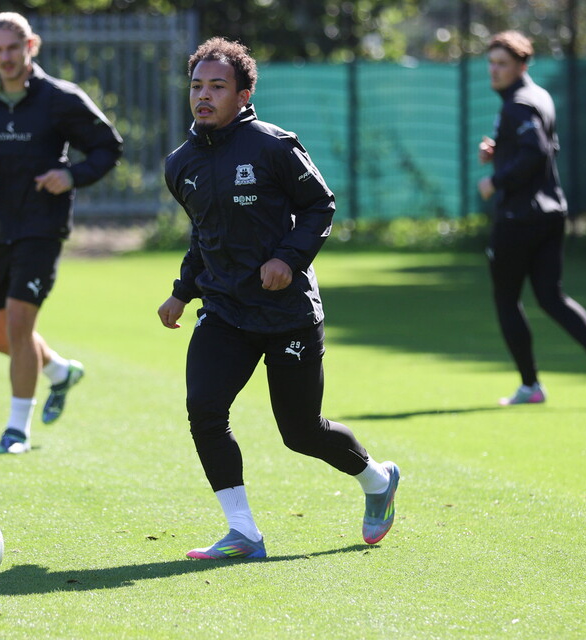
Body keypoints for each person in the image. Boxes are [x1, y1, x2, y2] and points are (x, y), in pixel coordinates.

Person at [158, 38, 399, 559]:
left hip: (286, 313)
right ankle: (243, 533)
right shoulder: (180, 164)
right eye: (197, 85)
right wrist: (182, 293)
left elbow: (320, 206)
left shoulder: (274, 146)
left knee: (301, 432)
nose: (204, 95)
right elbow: (204, 234)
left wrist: (288, 260)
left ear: (244, 94)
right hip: (223, 311)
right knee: (204, 410)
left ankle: (378, 480)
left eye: (218, 86)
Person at [0, 13, 123, 454]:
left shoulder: (60, 99)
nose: (6, 57)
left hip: (42, 228)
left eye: (14, 47)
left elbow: (108, 145)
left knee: (20, 324)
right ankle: (60, 371)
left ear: (32, 46)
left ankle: (16, 431)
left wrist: (72, 175)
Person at [477, 31, 586, 409]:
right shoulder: (537, 96)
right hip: (552, 212)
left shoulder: (517, 104)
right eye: (491, 62)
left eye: (502, 64)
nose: (494, 70)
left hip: (518, 216)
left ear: (522, 65)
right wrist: (500, 151)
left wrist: (497, 179)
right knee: (551, 296)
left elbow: (537, 151)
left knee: (506, 299)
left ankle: (530, 386)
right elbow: (533, 145)